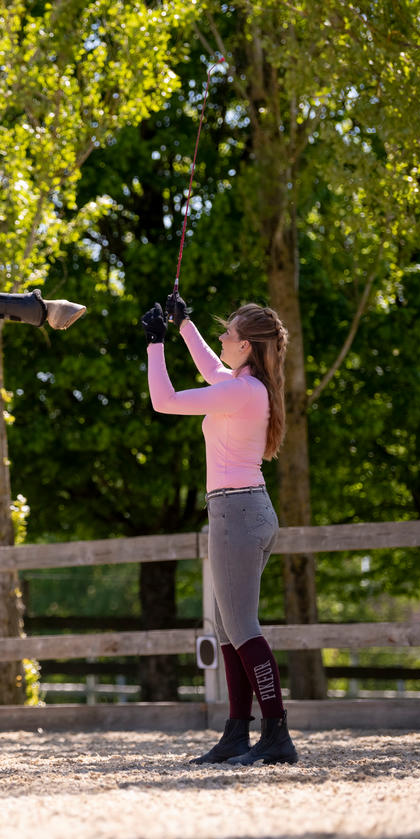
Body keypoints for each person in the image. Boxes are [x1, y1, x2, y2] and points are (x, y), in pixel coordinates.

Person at [139, 292, 298, 766]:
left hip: (237, 515)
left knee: (242, 628)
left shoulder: (241, 392)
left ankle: (276, 733)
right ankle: (238, 732)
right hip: (244, 512)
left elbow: (164, 401)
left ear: (246, 346)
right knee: (229, 630)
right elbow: (212, 371)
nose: (223, 338)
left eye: (228, 333)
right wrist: (184, 325)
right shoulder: (245, 387)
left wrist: (154, 344)